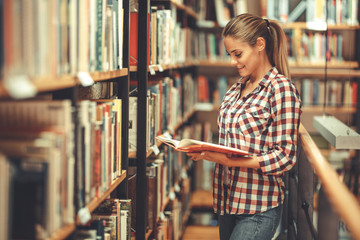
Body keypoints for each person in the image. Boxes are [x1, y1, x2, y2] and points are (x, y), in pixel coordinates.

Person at [187, 13, 302, 240]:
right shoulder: (235, 89)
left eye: (238, 54)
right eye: (230, 54)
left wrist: (226, 160)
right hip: (228, 201)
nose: (233, 61)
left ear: (260, 44)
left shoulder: (280, 89)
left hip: (258, 207)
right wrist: (207, 152)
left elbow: (285, 156)